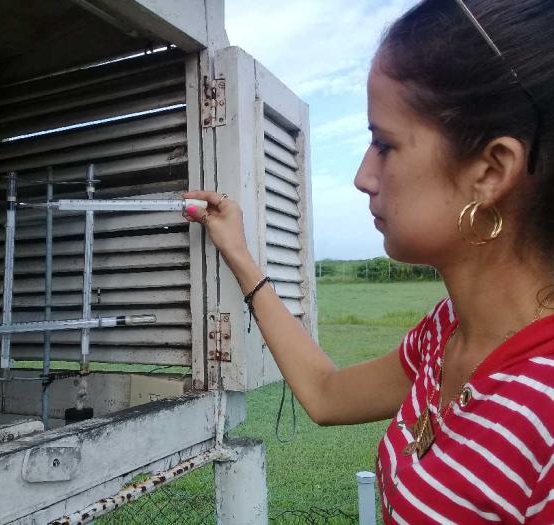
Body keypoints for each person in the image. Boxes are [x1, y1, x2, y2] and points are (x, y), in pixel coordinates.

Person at [182, 0, 554, 523]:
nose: (362, 175)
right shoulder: (446, 333)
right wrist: (239, 255)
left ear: (492, 170)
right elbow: (327, 394)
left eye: (385, 144)